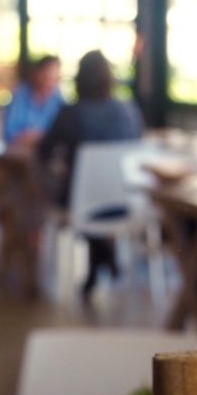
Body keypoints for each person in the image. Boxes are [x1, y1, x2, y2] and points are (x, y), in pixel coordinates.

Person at [39, 49, 144, 297]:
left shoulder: (71, 113)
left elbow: (44, 151)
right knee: (98, 193)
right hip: (126, 201)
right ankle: (106, 258)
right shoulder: (128, 111)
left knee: (77, 191)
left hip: (80, 203)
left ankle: (100, 261)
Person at [2, 55, 64, 152]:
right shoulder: (21, 94)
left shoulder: (58, 97)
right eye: (46, 77)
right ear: (36, 74)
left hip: (47, 153)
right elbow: (10, 134)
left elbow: (61, 135)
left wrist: (37, 136)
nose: (50, 84)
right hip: (20, 153)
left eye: (55, 79)